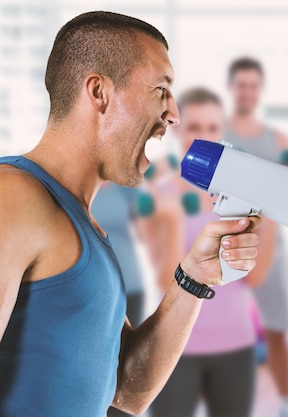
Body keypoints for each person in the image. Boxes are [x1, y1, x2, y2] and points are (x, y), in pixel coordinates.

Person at [0, 12, 260, 417]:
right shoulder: (12, 195)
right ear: (99, 92)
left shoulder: (82, 223)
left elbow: (127, 390)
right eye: (160, 89)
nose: (173, 114)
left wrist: (194, 278)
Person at [143, 87, 275, 417]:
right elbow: (163, 280)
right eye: (194, 128)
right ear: (178, 131)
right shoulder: (159, 196)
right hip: (175, 348)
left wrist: (271, 212)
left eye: (212, 128)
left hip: (236, 346)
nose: (204, 137)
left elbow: (256, 278)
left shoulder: (245, 198)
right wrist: (173, 220)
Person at [223, 56, 288, 417]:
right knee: (222, 330)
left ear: (261, 90)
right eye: (241, 84)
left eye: (253, 85)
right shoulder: (217, 134)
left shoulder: (280, 140)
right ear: (231, 88)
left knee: (276, 329)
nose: (247, 91)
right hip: (227, 243)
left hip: (271, 248)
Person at [92, 182, 148, 417]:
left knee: (126, 361)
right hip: (97, 288)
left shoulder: (124, 189)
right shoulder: (77, 190)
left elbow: (145, 231)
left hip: (132, 285)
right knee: (101, 363)